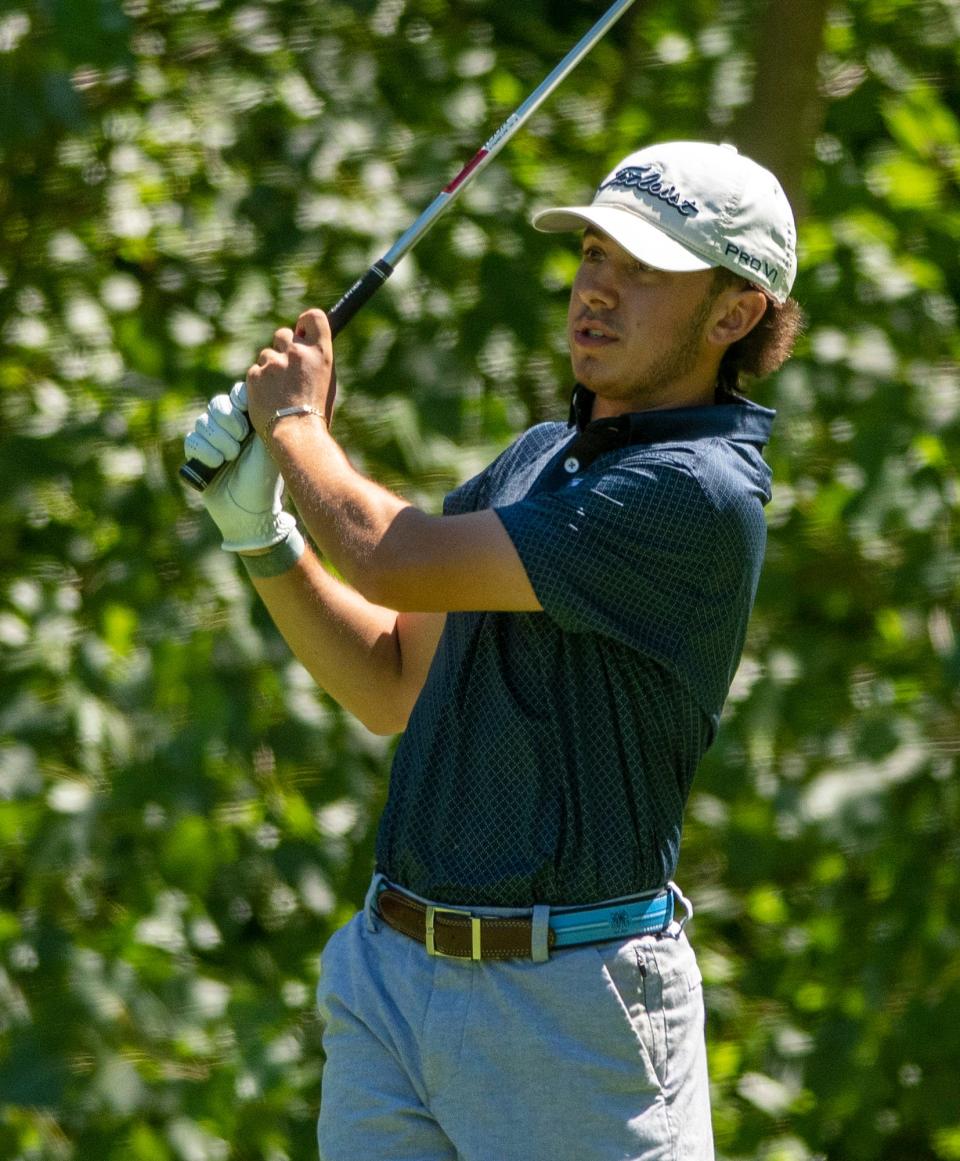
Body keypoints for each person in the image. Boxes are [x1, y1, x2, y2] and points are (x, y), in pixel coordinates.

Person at [185, 139, 801, 1160]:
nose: (596, 291)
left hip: (575, 1013)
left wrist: (294, 426)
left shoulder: (696, 494)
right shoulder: (539, 460)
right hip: (395, 983)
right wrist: (265, 539)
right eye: (594, 255)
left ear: (732, 314)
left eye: (643, 270)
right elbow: (390, 679)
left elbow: (387, 555)